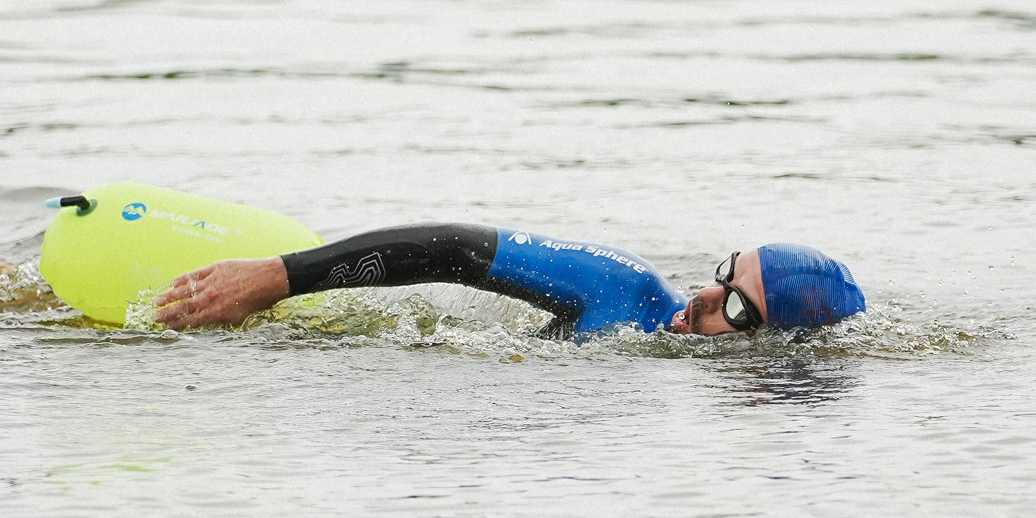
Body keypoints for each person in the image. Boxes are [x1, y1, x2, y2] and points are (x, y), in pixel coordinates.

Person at [151, 223, 863, 339]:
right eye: (721, 276)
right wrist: (279, 278)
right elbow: (451, 249)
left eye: (736, 309)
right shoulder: (627, 292)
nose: (702, 299)